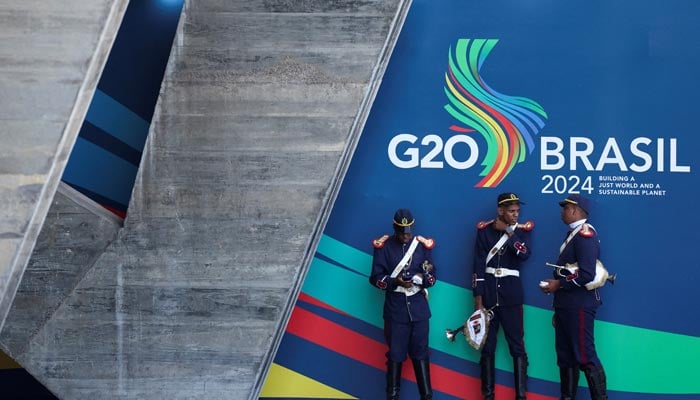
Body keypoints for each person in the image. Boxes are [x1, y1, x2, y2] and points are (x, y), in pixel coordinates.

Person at [540, 194, 608, 400]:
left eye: (565, 208)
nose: (561, 212)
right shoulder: (573, 234)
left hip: (579, 306)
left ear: (575, 210)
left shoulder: (585, 234)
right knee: (566, 357)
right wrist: (557, 308)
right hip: (566, 306)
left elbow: (587, 273)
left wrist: (558, 284)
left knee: (586, 356)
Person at [370, 208, 437, 400]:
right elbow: (375, 278)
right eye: (401, 232)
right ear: (394, 228)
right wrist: (395, 282)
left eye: (408, 232)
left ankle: (426, 396)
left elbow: (433, 277)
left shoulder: (422, 246)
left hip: (419, 311)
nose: (405, 236)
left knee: (421, 354)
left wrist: (421, 279)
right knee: (396, 355)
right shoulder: (383, 247)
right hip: (396, 311)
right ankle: (392, 396)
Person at [472, 192, 533, 400]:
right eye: (511, 211)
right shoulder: (484, 231)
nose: (515, 215)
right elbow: (478, 267)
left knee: (517, 346)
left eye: (517, 211)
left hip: (511, 296)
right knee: (487, 348)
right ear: (500, 210)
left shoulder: (522, 231)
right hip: (489, 295)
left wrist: (508, 231)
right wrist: (478, 300)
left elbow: (524, 254)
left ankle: (521, 396)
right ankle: (488, 396)